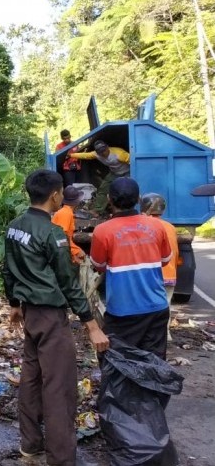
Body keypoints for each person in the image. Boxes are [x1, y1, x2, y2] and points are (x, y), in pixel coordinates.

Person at [3, 169, 109, 466]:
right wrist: (91, 325)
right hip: (50, 316)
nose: (62, 196)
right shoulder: (51, 234)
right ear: (54, 195)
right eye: (61, 191)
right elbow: (67, 282)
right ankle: (61, 459)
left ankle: (31, 447)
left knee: (32, 379)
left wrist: (14, 303)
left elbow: (9, 268)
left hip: (30, 314)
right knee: (59, 387)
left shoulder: (14, 226)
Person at [90, 178, 173, 359]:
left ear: (109, 199)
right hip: (156, 307)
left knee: (119, 362)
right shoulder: (157, 226)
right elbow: (165, 260)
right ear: (138, 200)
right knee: (154, 364)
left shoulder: (102, 231)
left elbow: (98, 265)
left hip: (122, 310)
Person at [140, 193, 181, 342]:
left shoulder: (143, 225)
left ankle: (147, 334)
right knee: (165, 304)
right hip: (169, 273)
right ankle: (165, 333)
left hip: (151, 274)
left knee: (147, 304)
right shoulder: (170, 227)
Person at [71, 140, 130, 214]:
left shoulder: (119, 154)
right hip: (114, 173)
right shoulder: (97, 154)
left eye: (104, 151)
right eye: (100, 152)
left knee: (127, 190)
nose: (103, 154)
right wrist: (71, 155)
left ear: (107, 147)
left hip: (128, 172)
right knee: (103, 189)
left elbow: (134, 161)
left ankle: (128, 211)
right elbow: (86, 155)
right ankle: (97, 210)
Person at [51, 185, 86, 265]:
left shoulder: (66, 212)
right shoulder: (66, 214)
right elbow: (61, 239)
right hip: (60, 252)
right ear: (76, 202)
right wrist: (76, 251)